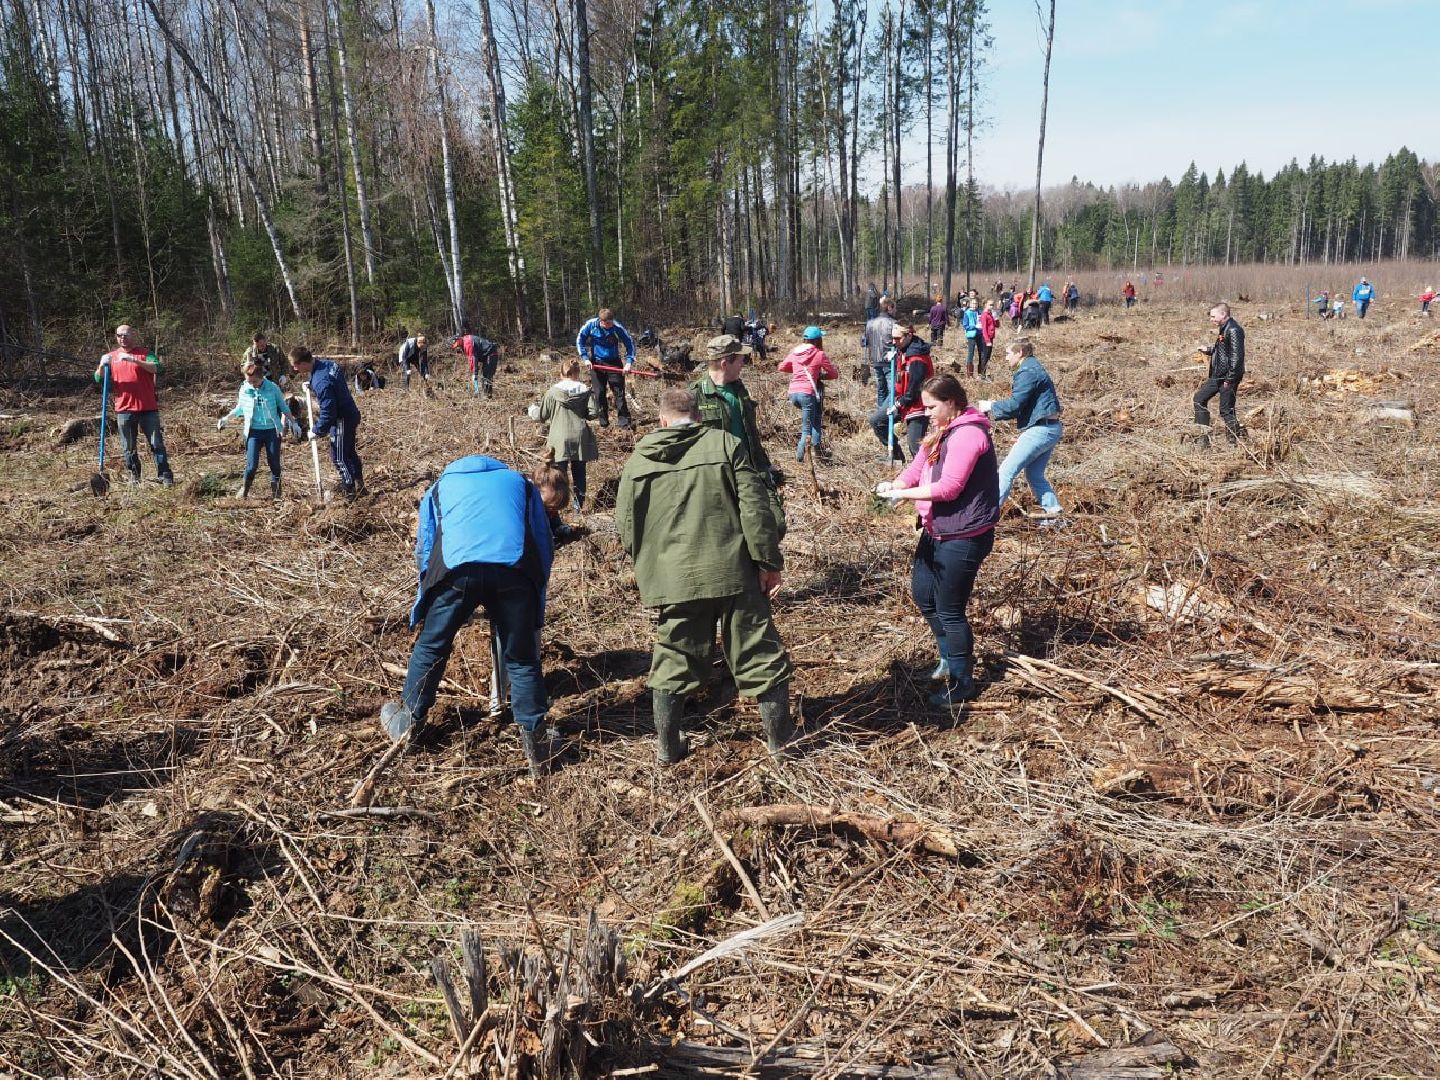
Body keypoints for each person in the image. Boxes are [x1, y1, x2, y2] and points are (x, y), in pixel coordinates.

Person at [616, 389, 794, 764]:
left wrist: (652, 568)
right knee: (759, 653)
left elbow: (626, 525)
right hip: (733, 571)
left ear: (662, 420)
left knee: (674, 656)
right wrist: (767, 562)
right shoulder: (726, 445)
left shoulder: (638, 459)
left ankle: (666, 749)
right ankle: (780, 746)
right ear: (699, 416)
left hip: (674, 578)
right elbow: (755, 508)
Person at [378, 454, 558, 777]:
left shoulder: (440, 487)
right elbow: (542, 540)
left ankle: (409, 722)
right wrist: (536, 589)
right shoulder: (521, 484)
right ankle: (537, 744)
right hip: (513, 570)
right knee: (521, 656)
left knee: (432, 646)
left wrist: (428, 596)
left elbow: (425, 544)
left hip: (456, 573)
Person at [875, 374, 998, 707]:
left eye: (931, 406)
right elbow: (917, 467)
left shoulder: (969, 435)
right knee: (923, 594)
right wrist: (896, 483)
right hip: (936, 528)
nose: (926, 412)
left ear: (951, 402)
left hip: (964, 534)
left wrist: (904, 494)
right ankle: (947, 657)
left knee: (950, 609)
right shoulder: (941, 430)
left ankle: (962, 681)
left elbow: (949, 488)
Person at [977, 338, 1063, 519]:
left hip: (1040, 430)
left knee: (1006, 471)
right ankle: (1054, 514)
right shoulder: (1033, 367)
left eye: (1008, 353)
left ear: (1019, 353)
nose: (1006, 358)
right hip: (1051, 428)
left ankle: (985, 518)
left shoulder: (1027, 371)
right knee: (1035, 475)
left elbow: (1015, 405)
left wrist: (990, 406)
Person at [94, 324, 174, 486]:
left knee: (156, 443)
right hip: (124, 408)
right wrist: (102, 366)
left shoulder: (145, 354)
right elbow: (98, 379)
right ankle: (134, 476)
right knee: (128, 446)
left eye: (126, 335)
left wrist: (135, 360)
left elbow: (157, 368)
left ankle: (164, 475)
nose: (122, 338)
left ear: (133, 335)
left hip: (148, 407)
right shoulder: (111, 357)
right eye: (119, 335)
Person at [217, 356, 301, 498]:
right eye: (248, 381)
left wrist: (293, 422)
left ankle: (276, 494)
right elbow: (239, 409)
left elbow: (283, 407)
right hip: (253, 432)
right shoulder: (245, 389)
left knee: (274, 464)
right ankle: (245, 489)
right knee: (251, 465)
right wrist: (226, 419)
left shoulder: (272, 388)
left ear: (261, 377)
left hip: (272, 431)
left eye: (254, 381)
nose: (251, 384)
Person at [289, 346, 365, 498]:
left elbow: (329, 413)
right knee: (349, 452)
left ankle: (349, 490)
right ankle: (359, 483)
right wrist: (311, 383)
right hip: (350, 412)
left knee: (338, 456)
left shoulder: (321, 381)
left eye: (295, 365)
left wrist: (316, 430)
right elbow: (332, 385)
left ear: (303, 363)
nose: (294, 369)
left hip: (342, 419)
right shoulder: (328, 365)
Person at [527, 354, 598, 511]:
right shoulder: (585, 390)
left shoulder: (553, 392)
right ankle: (578, 507)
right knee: (579, 473)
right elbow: (593, 413)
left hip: (559, 438)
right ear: (577, 373)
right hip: (580, 436)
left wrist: (532, 410)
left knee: (558, 474)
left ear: (561, 374)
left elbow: (542, 415)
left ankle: (559, 505)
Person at [869, 322, 933, 463]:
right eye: (892, 338)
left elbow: (915, 390)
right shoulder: (902, 349)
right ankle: (896, 456)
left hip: (917, 404)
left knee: (915, 448)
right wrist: (896, 356)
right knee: (877, 421)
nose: (893, 341)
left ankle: (927, 475)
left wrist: (898, 404)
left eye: (897, 338)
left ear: (909, 335)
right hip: (900, 397)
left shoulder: (917, 358)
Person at [778, 326, 839, 463]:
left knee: (815, 419)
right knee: (807, 429)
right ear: (818, 340)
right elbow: (834, 374)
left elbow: (781, 367)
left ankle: (818, 452)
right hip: (808, 393)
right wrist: (819, 376)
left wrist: (797, 372)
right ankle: (800, 461)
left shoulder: (795, 352)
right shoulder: (819, 354)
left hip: (793, 394)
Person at [1192, 302, 1246, 443]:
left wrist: (1229, 379)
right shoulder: (1224, 328)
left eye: (1213, 316)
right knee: (1199, 399)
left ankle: (1234, 442)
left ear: (1223, 314)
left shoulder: (1234, 330)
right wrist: (1209, 350)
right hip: (1218, 375)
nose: (1211, 319)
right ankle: (1202, 438)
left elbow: (1237, 357)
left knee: (1226, 410)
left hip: (1228, 377)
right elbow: (1224, 351)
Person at [575, 308, 637, 428]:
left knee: (619, 393)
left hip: (614, 363)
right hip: (596, 363)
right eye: (606, 324)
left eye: (610, 323)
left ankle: (624, 423)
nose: (609, 326)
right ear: (600, 321)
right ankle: (603, 422)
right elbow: (580, 339)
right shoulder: (591, 325)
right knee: (599, 394)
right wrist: (585, 358)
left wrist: (629, 363)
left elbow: (630, 344)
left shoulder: (617, 327)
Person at [863, 298, 898, 406]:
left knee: (881, 390)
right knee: (893, 390)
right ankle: (889, 414)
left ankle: (880, 415)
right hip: (889, 361)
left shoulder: (870, 324)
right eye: (894, 308)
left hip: (875, 360)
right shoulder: (894, 323)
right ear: (889, 308)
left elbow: (864, 342)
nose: (896, 310)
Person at [452, 332, 502, 397]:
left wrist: (474, 373)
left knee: (486, 376)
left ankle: (487, 396)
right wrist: (474, 371)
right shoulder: (466, 340)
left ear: (458, 341)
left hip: (491, 354)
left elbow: (473, 358)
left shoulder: (467, 343)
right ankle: (485, 395)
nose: (458, 349)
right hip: (487, 355)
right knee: (484, 376)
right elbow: (471, 359)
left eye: (457, 346)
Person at [978, 300, 999, 379]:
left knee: (988, 357)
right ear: (985, 305)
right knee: (985, 356)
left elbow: (997, 325)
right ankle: (982, 374)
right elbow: (984, 329)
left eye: (992, 305)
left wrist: (996, 318)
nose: (991, 306)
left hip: (991, 337)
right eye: (990, 305)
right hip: (986, 339)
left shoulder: (991, 314)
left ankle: (983, 373)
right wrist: (987, 341)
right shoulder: (984, 315)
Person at [961, 297, 982, 377]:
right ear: (970, 304)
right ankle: (970, 374)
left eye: (976, 303)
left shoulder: (979, 312)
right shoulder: (967, 313)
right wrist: (974, 326)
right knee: (971, 353)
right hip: (971, 335)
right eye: (973, 303)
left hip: (980, 334)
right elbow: (965, 326)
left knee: (981, 352)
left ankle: (981, 373)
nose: (974, 305)